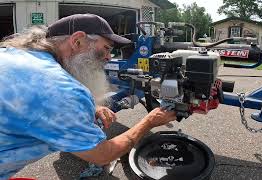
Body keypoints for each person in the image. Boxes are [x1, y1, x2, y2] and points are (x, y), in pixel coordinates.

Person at [0, 14, 176, 179]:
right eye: (106, 48)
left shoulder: (13, 54)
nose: (109, 58)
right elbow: (102, 154)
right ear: (77, 41)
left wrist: (94, 106)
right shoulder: (63, 91)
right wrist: (150, 121)